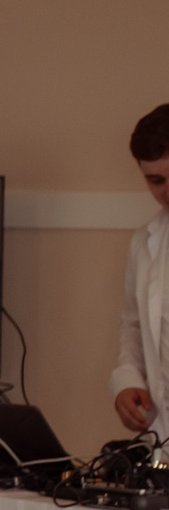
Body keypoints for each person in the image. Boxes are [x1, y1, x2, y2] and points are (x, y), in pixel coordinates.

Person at [111, 103, 169, 440]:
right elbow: (133, 324)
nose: (167, 191)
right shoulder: (144, 242)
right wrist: (126, 380)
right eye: (156, 181)